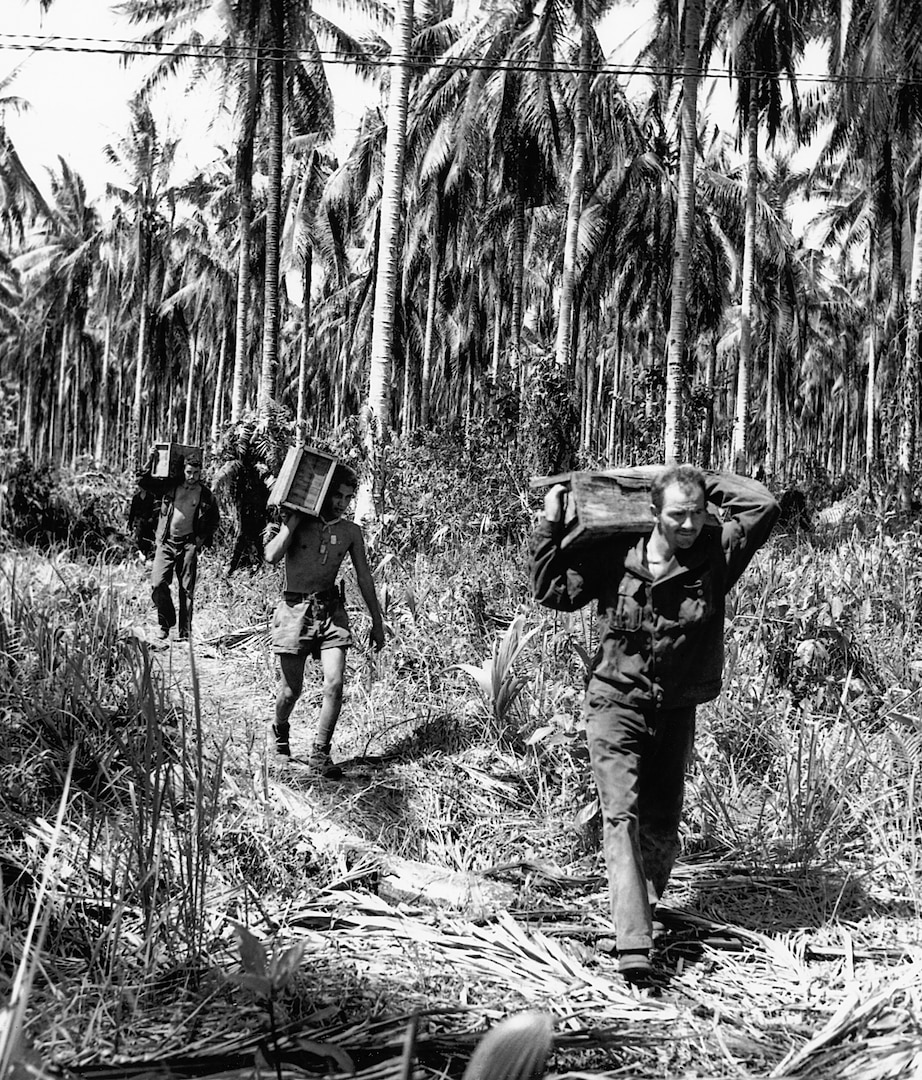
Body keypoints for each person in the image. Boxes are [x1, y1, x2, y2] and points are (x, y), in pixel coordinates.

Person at [529, 464, 779, 981]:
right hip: (614, 703)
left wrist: (692, 476)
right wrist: (550, 524)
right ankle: (633, 942)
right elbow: (553, 590)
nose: (689, 525)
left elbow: (763, 506)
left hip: (676, 707)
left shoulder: (715, 557)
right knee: (622, 815)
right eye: (677, 515)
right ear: (653, 513)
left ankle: (638, 910)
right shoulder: (612, 556)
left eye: (697, 513)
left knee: (663, 817)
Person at [264, 463, 386, 778]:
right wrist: (292, 524)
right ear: (326, 493)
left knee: (334, 684)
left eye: (348, 497)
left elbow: (364, 578)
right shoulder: (299, 521)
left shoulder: (350, 532)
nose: (341, 503)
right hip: (294, 611)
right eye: (337, 495)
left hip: (331, 611)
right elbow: (270, 555)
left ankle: (320, 753)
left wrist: (377, 620)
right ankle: (279, 732)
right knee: (292, 691)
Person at [137, 449, 221, 642]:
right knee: (157, 584)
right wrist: (151, 460)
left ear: (201, 473)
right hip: (166, 543)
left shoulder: (205, 495)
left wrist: (199, 540)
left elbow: (214, 520)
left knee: (187, 590)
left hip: (188, 544)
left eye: (196, 473)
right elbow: (143, 481)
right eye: (189, 472)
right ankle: (165, 623)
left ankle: (184, 633)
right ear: (183, 470)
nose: (192, 477)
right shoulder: (170, 487)